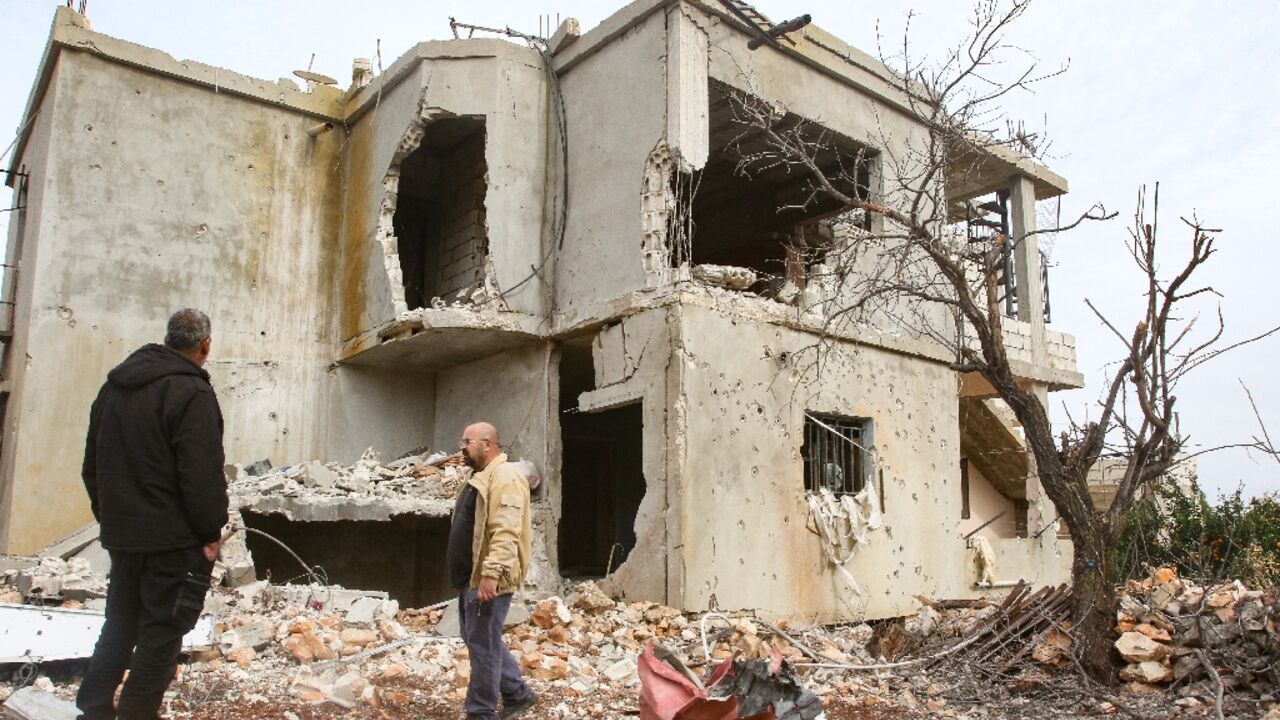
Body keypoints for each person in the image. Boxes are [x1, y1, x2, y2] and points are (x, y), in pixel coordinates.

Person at [76, 309, 228, 720]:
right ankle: (136, 713)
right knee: (162, 634)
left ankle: (92, 709)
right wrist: (210, 533)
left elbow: (92, 466)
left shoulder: (114, 388)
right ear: (205, 345)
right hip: (173, 543)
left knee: (119, 625)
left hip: (125, 538)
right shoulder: (191, 392)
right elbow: (201, 475)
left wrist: (112, 520)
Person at [446, 422, 537, 720]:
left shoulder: (505, 477)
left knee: (482, 646)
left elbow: (506, 530)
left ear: (488, 444)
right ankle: (517, 694)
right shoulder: (481, 476)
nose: (462, 446)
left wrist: (491, 574)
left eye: (467, 441)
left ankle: (481, 712)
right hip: (471, 577)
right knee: (478, 638)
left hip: (487, 578)